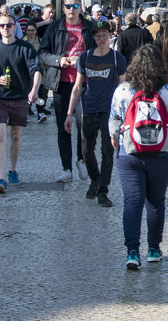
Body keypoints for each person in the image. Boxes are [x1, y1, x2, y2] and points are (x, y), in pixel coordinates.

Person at [109, 44, 168, 270]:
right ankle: (154, 248)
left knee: (132, 202)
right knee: (156, 202)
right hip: (161, 153)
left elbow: (114, 122)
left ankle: (132, 252)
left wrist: (115, 139)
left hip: (130, 153)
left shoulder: (123, 90)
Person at [0, 12, 42, 193]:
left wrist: (34, 89)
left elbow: (36, 69)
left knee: (15, 135)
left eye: (9, 25)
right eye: (2, 25)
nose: (5, 28)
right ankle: (0, 178)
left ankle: (12, 169)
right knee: (0, 136)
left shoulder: (25, 48)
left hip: (18, 98)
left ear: (15, 27)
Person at [66, 21, 129, 207]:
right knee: (86, 150)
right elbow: (78, 86)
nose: (101, 39)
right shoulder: (85, 58)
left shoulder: (118, 59)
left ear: (110, 36)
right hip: (89, 108)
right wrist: (69, 113)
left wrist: (124, 115)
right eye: (98, 36)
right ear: (93, 38)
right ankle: (95, 179)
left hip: (109, 111)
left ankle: (103, 190)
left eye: (104, 35)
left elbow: (122, 88)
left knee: (107, 151)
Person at [41, 0, 95, 183]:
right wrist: (58, 60)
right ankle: (66, 168)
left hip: (84, 84)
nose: (72, 9)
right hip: (61, 82)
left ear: (81, 7)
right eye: (68, 6)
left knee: (83, 125)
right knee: (63, 126)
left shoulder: (89, 27)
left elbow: (99, 51)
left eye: (75, 5)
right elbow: (43, 53)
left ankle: (81, 159)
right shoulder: (55, 27)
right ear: (63, 8)